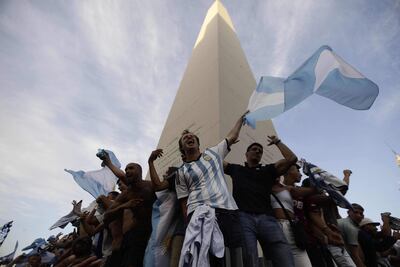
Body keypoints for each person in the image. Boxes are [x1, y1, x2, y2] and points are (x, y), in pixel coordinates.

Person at [175, 112, 247, 267]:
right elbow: (183, 201)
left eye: (192, 136)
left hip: (228, 211)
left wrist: (240, 120)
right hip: (198, 213)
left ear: (197, 142)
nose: (189, 137)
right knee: (206, 259)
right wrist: (188, 223)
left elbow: (232, 137)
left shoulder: (213, 153)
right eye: (185, 138)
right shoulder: (181, 172)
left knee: (233, 255)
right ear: (182, 148)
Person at [224, 137, 296, 267]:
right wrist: (226, 144)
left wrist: (278, 142)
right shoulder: (236, 169)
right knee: (249, 259)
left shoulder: (268, 170)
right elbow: (212, 161)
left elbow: (292, 159)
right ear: (246, 154)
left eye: (260, 151)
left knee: (284, 257)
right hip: (243, 218)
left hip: (267, 219)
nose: (257, 151)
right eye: (254, 149)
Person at [103, 155, 156, 267]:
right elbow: (106, 217)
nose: (127, 171)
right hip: (133, 235)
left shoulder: (151, 186)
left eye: (131, 168)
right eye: (126, 169)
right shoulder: (126, 195)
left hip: (153, 232)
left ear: (140, 171)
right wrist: (124, 206)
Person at [145, 149, 184, 267]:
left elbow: (158, 186)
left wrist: (151, 162)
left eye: (167, 173)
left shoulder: (175, 181)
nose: (163, 175)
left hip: (176, 230)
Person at [271, 162, 314, 267]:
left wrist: (312, 174)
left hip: (292, 227)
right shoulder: (262, 188)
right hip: (274, 227)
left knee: (305, 263)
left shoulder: (288, 188)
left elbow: (313, 190)